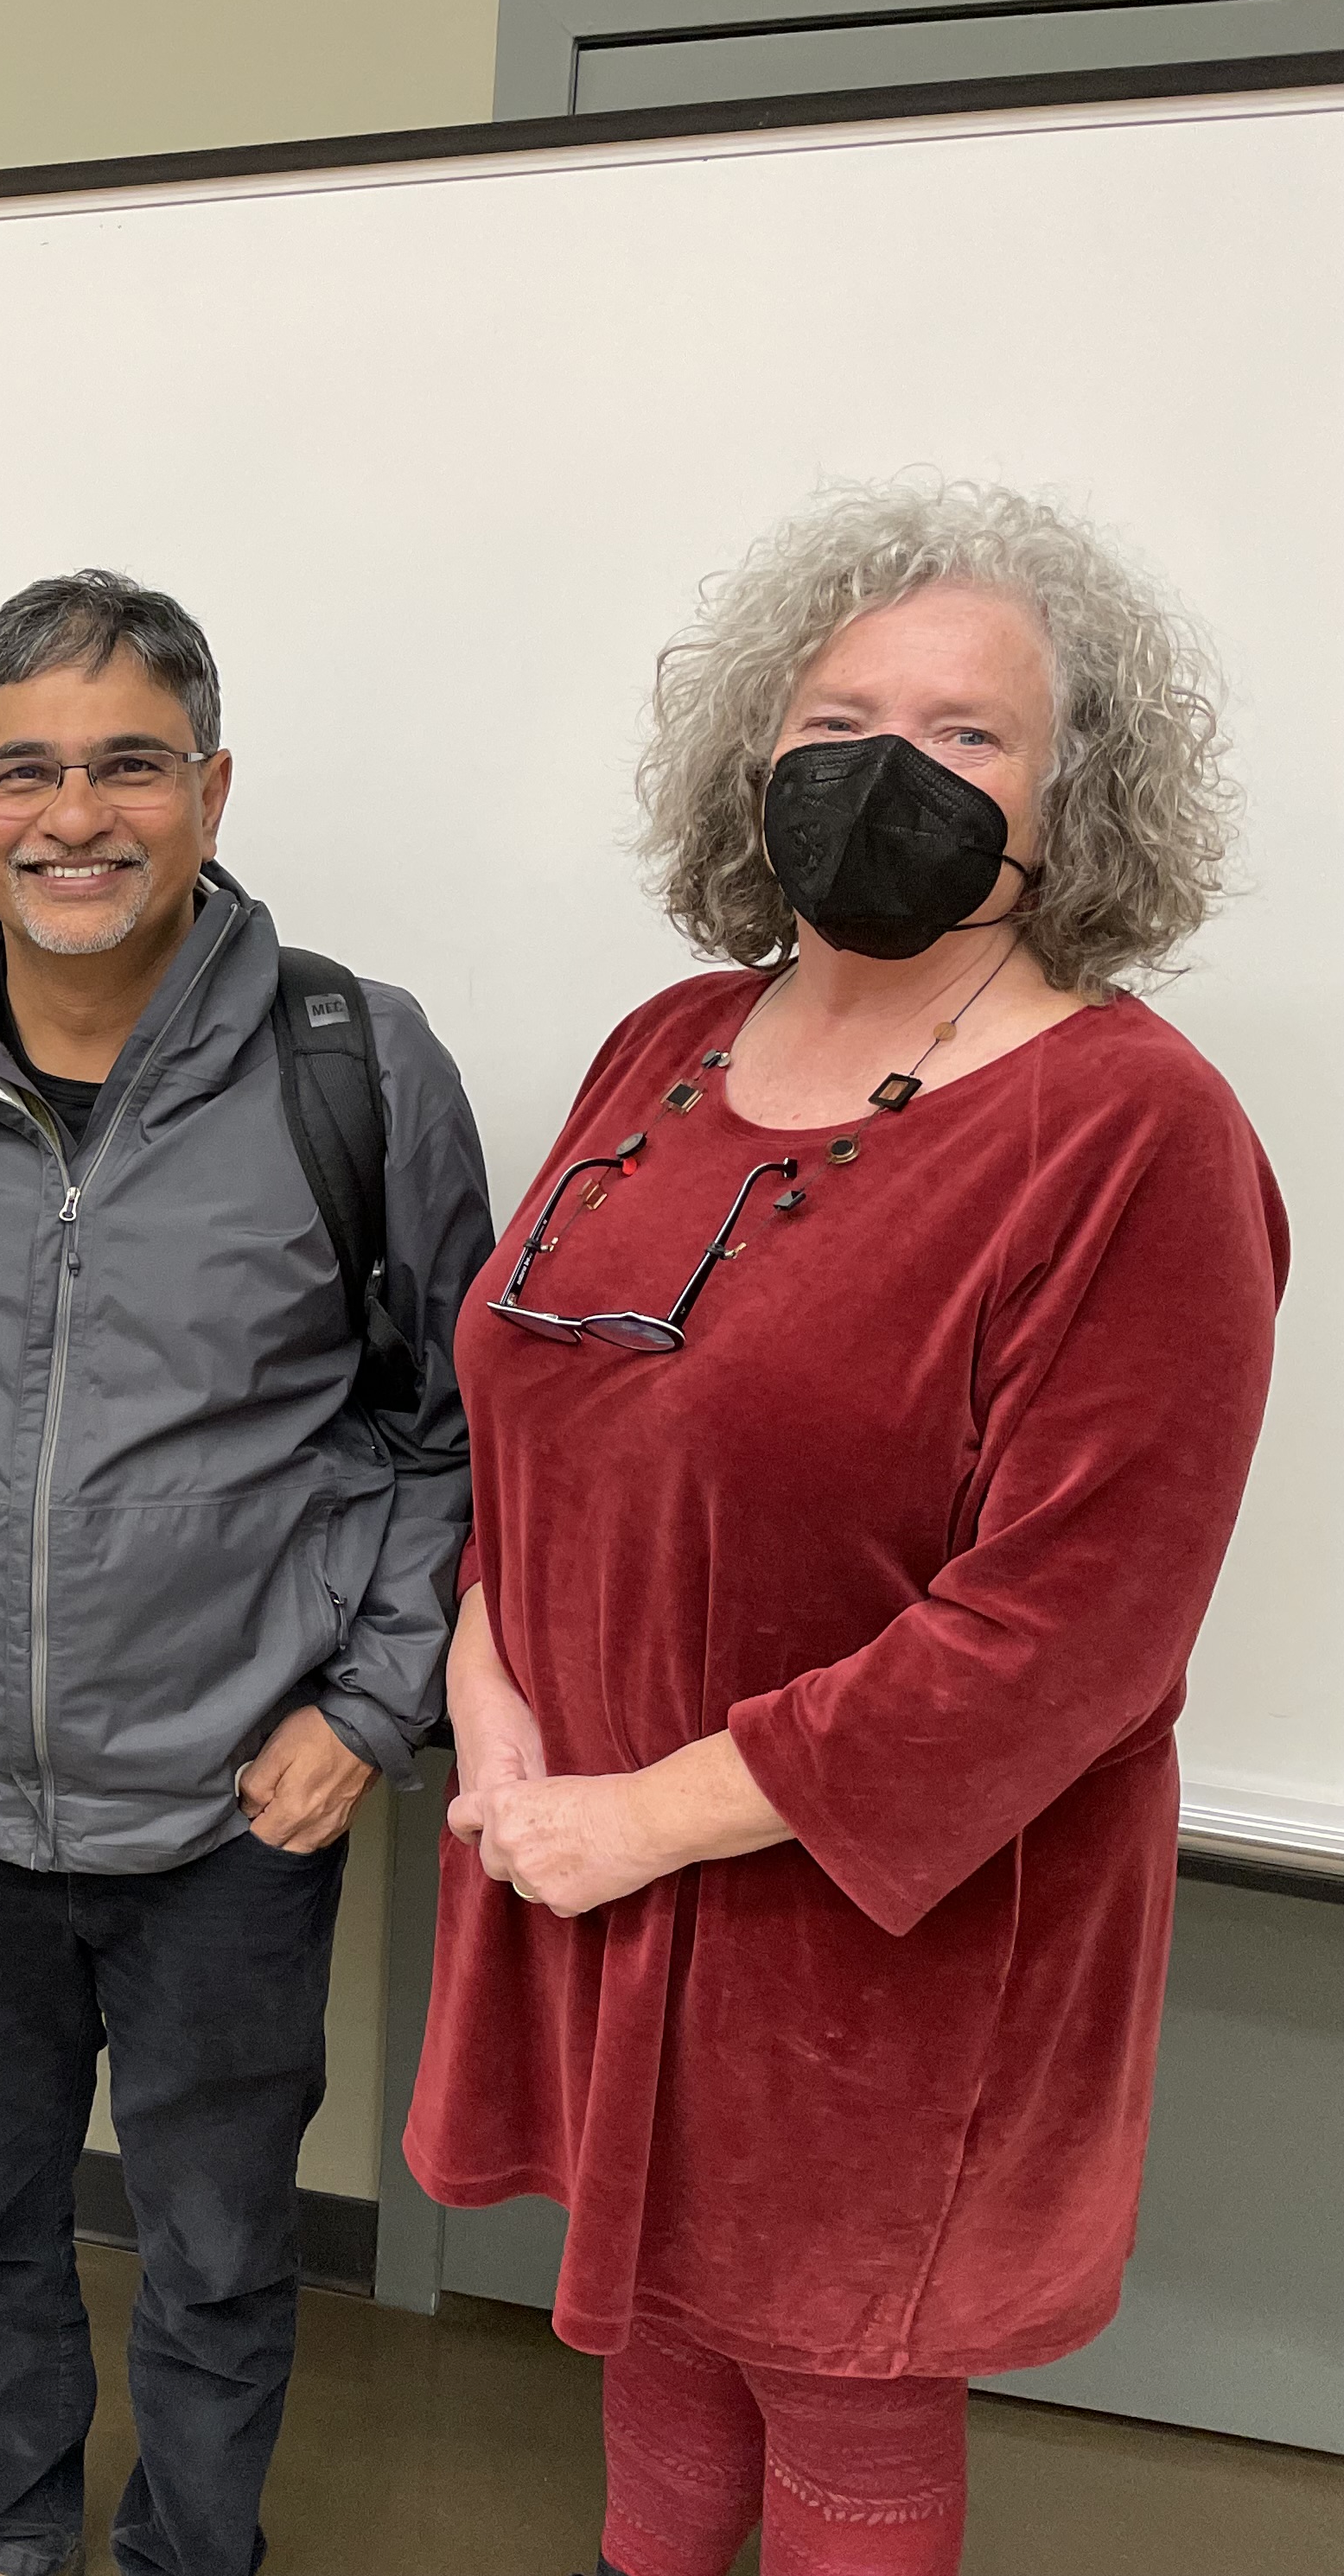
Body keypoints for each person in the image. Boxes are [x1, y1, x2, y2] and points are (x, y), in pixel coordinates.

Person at [407, 481, 1286, 2576]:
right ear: (757, 757)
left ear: (1073, 803)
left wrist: (642, 1820)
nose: (890, 770)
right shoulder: (667, 1046)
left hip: (876, 1943)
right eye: (839, 719)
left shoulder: (1134, 1132)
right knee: (656, 2335)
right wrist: (494, 1702)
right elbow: (536, 1422)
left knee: (841, 2392)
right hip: (585, 1860)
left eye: (969, 732)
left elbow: (1070, 1637)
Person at [0, 569, 495, 2576]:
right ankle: (10, 2541)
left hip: (231, 1823)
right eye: (27, 772)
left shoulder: (354, 1070)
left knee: (221, 2248)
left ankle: (191, 2553)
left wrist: (368, 1708)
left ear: (213, 790)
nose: (76, 817)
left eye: (131, 765)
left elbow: (448, 1429)